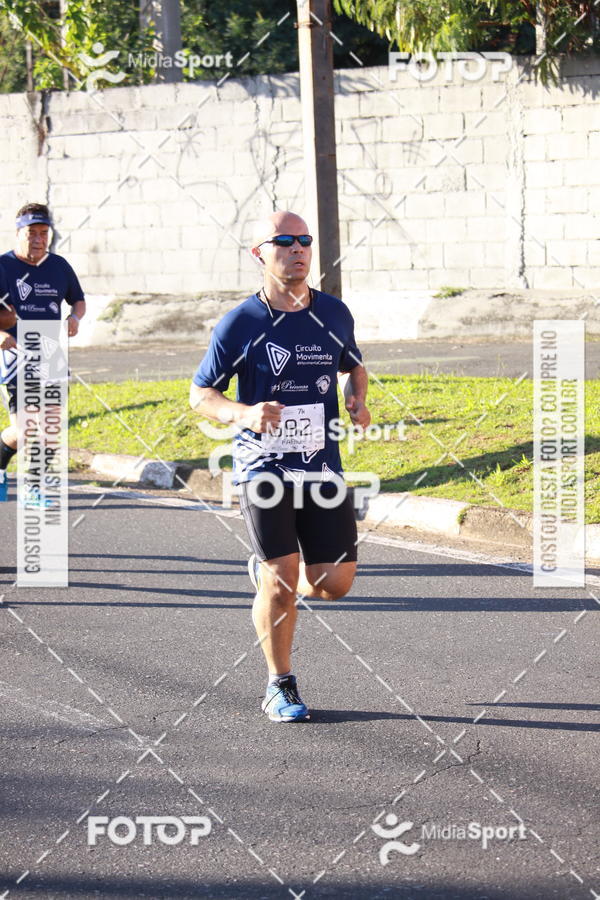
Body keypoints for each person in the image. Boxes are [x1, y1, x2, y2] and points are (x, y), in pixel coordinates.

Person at [190, 210, 370, 722]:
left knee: (335, 582)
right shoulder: (241, 322)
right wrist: (242, 413)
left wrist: (357, 399)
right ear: (260, 253)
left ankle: (270, 576)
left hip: (320, 464)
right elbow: (200, 392)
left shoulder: (334, 313)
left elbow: (353, 365)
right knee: (283, 576)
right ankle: (280, 684)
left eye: (304, 240)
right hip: (262, 465)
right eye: (285, 241)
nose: (298, 249)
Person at [0, 202, 86, 502]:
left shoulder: (59, 266)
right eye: (31, 232)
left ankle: (32, 488)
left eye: (43, 233)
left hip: (49, 350)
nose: (38, 239)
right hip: (14, 353)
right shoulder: (3, 266)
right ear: (18, 232)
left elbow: (78, 300)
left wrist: (74, 317)